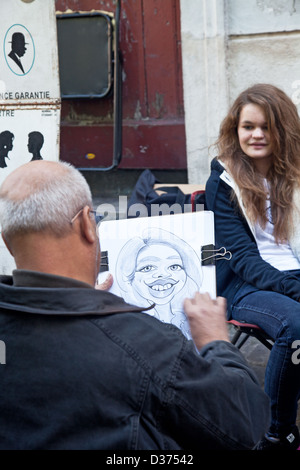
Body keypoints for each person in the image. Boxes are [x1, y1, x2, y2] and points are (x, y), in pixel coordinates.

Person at [0, 160, 270, 450]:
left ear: (7, 240)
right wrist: (217, 342)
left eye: (174, 266)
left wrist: (72, 298)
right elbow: (245, 421)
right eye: (147, 268)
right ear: (86, 225)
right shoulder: (147, 343)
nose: (162, 276)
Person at [205, 83, 300, 450]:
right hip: (247, 284)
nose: (257, 135)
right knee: (295, 325)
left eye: (266, 126)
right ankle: (277, 431)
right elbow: (241, 258)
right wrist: (293, 289)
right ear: (236, 130)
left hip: (293, 275)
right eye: (248, 126)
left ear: (283, 129)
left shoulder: (292, 173)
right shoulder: (224, 179)